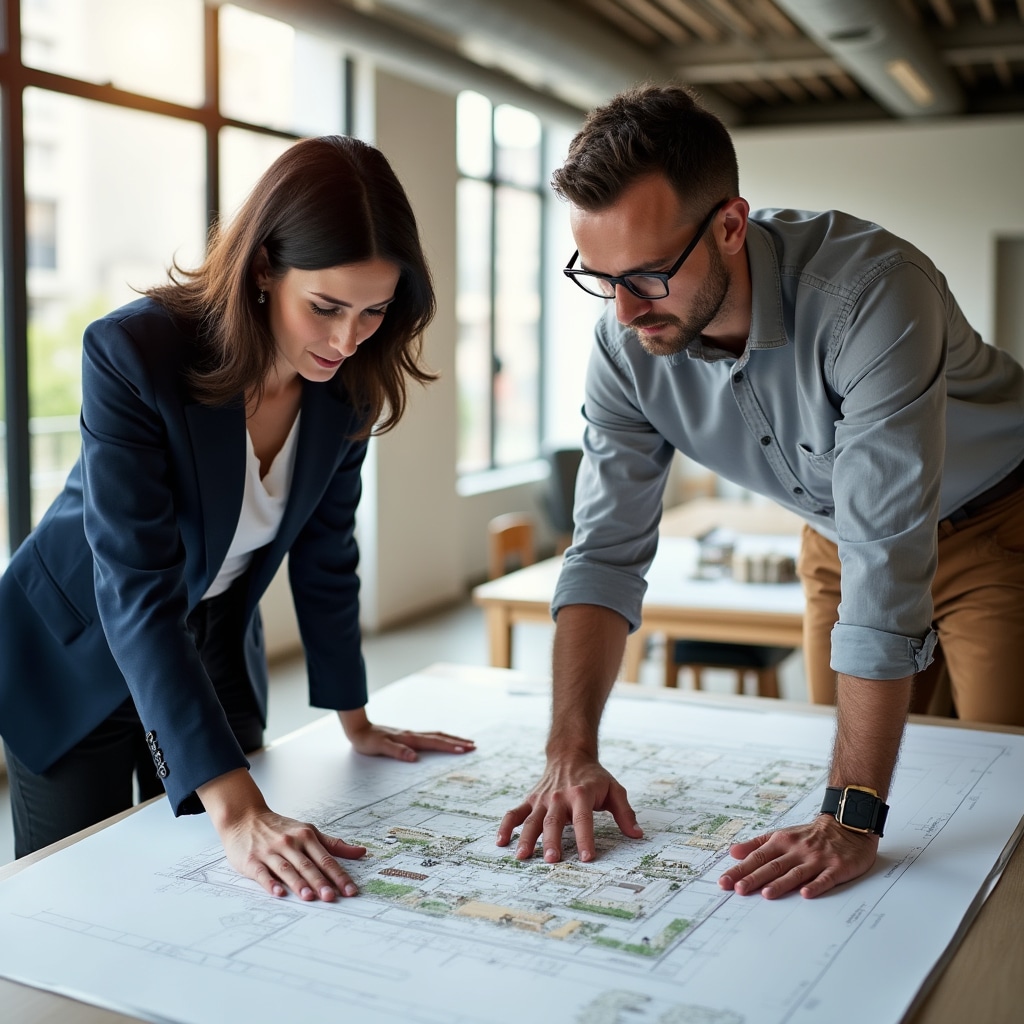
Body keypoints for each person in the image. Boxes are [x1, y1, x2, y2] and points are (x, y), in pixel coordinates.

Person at [496, 84, 1024, 899]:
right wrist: (569, 750)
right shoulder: (624, 339)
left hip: (999, 525)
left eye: (646, 275)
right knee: (845, 798)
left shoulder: (873, 293)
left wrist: (851, 818)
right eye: (599, 277)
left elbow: (890, 564)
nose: (626, 311)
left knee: (993, 796)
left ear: (732, 226)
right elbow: (604, 553)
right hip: (837, 540)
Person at [0, 135, 475, 900]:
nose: (346, 340)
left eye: (373, 312)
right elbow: (136, 584)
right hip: (77, 647)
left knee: (210, 896)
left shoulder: (347, 384)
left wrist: (354, 717)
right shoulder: (134, 353)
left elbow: (327, 553)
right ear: (263, 268)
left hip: (210, 645)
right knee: (84, 896)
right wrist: (238, 806)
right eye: (324, 307)